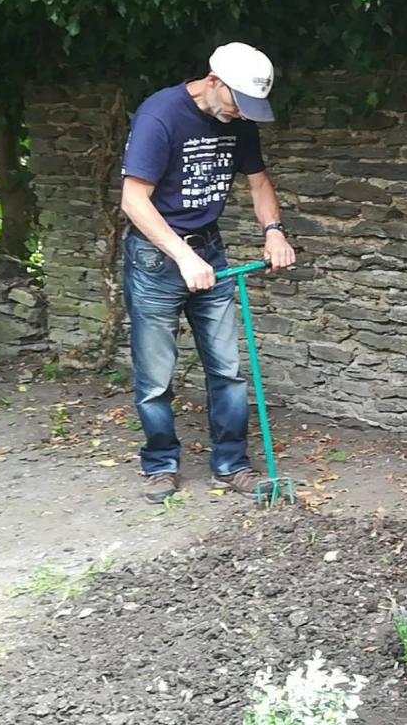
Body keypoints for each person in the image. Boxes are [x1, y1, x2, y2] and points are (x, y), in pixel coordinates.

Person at [119, 41, 296, 504]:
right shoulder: (159, 116)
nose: (243, 115)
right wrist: (182, 255)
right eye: (239, 103)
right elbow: (133, 200)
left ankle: (232, 464)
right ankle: (161, 465)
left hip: (209, 254)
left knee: (228, 370)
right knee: (156, 376)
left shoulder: (237, 122)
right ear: (214, 81)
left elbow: (258, 182)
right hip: (157, 260)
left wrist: (274, 231)